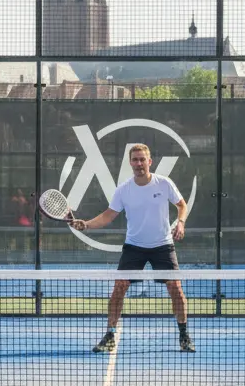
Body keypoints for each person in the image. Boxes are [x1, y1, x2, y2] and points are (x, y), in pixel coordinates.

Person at [72, 143, 195, 353]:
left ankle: (184, 335)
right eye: (135, 160)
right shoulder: (124, 190)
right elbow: (108, 215)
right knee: (118, 289)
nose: (139, 163)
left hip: (163, 245)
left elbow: (181, 205)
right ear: (130, 163)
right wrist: (87, 224)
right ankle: (110, 334)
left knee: (176, 289)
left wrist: (181, 222)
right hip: (134, 247)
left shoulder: (164, 183)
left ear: (150, 161)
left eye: (142, 159)